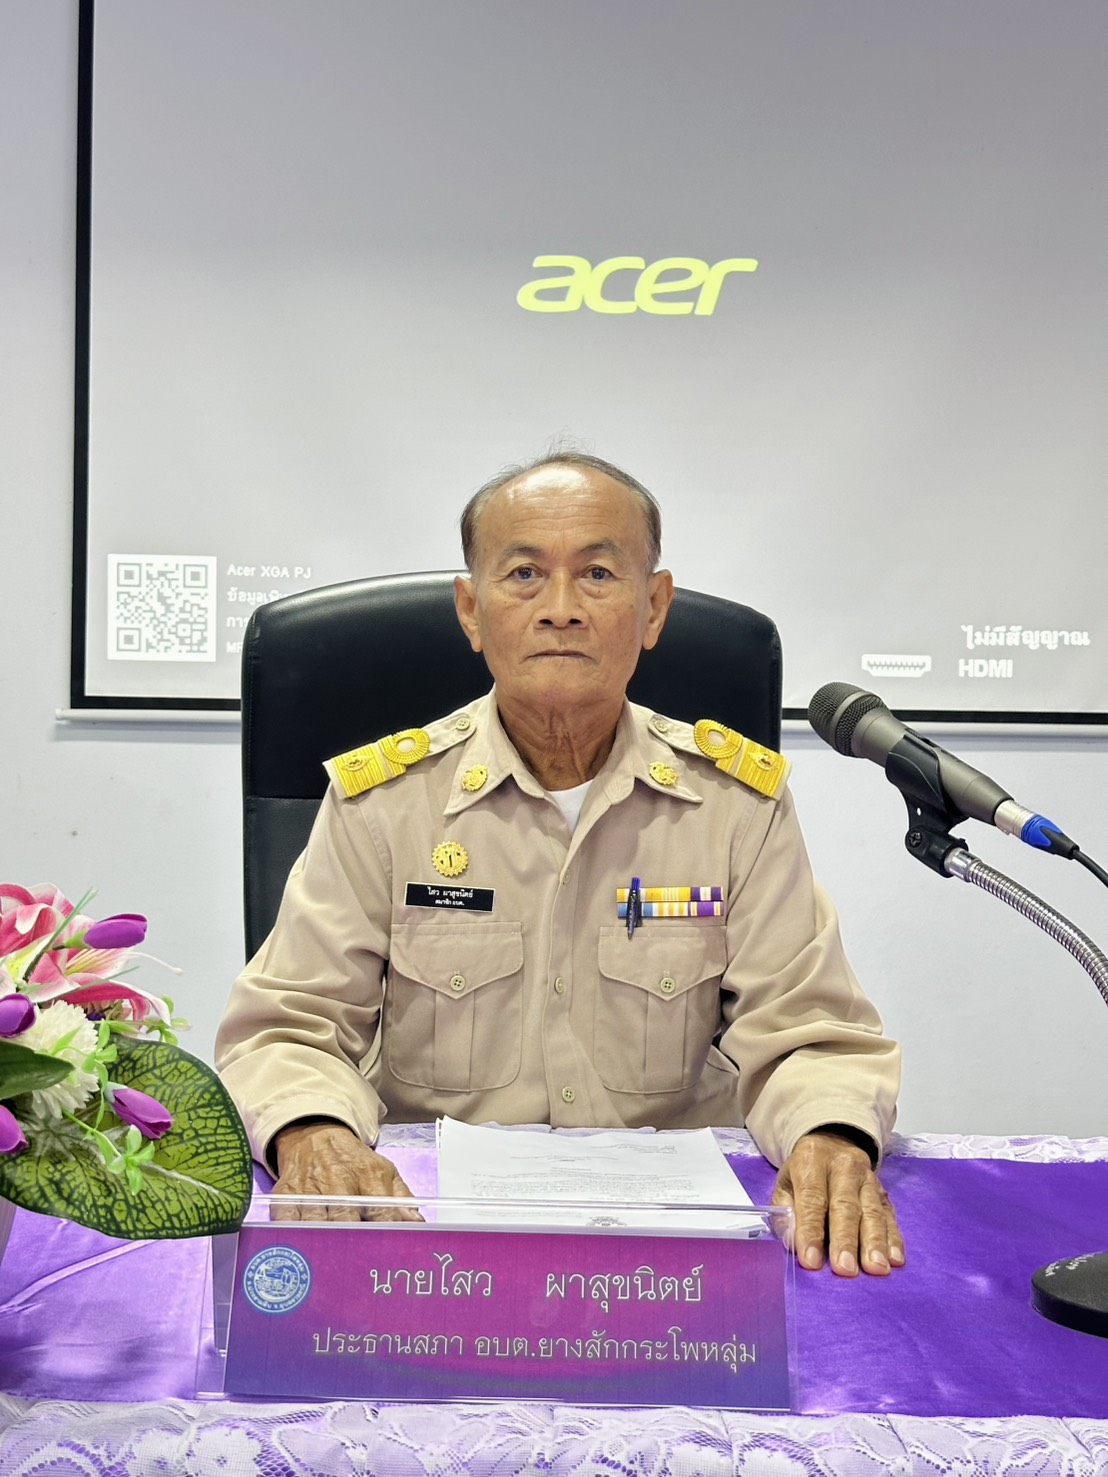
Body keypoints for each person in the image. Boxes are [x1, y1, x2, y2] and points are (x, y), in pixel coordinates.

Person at [216, 452, 903, 1277]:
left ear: (654, 607)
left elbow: (809, 1032)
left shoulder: (734, 806)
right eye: (525, 574)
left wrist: (828, 1132)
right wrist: (313, 1129)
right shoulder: (384, 804)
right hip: (437, 1235)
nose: (562, 609)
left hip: (671, 1248)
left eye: (599, 574)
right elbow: (289, 1024)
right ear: (471, 611)